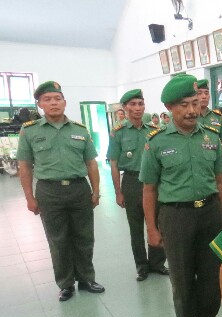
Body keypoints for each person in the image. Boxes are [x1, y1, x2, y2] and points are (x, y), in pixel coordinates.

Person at [140, 74, 222, 317]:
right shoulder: (156, 142)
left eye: (195, 103)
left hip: (209, 213)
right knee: (181, 278)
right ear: (170, 107)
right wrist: (152, 228)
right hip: (176, 216)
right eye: (184, 105)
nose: (192, 110)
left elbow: (221, 181)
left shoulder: (211, 137)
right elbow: (149, 190)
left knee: (211, 275)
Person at [17, 80, 105, 301]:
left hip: (78, 189)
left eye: (57, 99)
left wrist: (96, 191)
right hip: (49, 191)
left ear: (64, 102)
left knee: (84, 237)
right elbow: (24, 166)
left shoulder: (80, 130)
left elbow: (91, 163)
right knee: (58, 240)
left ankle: (86, 278)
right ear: (40, 105)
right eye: (47, 99)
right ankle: (65, 284)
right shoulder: (29, 131)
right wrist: (29, 197)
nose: (53, 103)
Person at [107, 89, 168, 281]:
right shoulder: (118, 133)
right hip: (132, 182)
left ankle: (157, 263)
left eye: (140, 104)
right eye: (132, 104)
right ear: (125, 108)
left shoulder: (154, 130)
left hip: (154, 183)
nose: (137, 108)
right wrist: (118, 192)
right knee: (136, 228)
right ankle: (142, 266)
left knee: (157, 223)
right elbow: (114, 164)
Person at [195, 80, 222, 205]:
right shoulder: (191, 117)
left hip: (214, 166)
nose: (204, 96)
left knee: (217, 198)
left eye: (206, 93)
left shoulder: (216, 117)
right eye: (200, 93)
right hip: (195, 165)